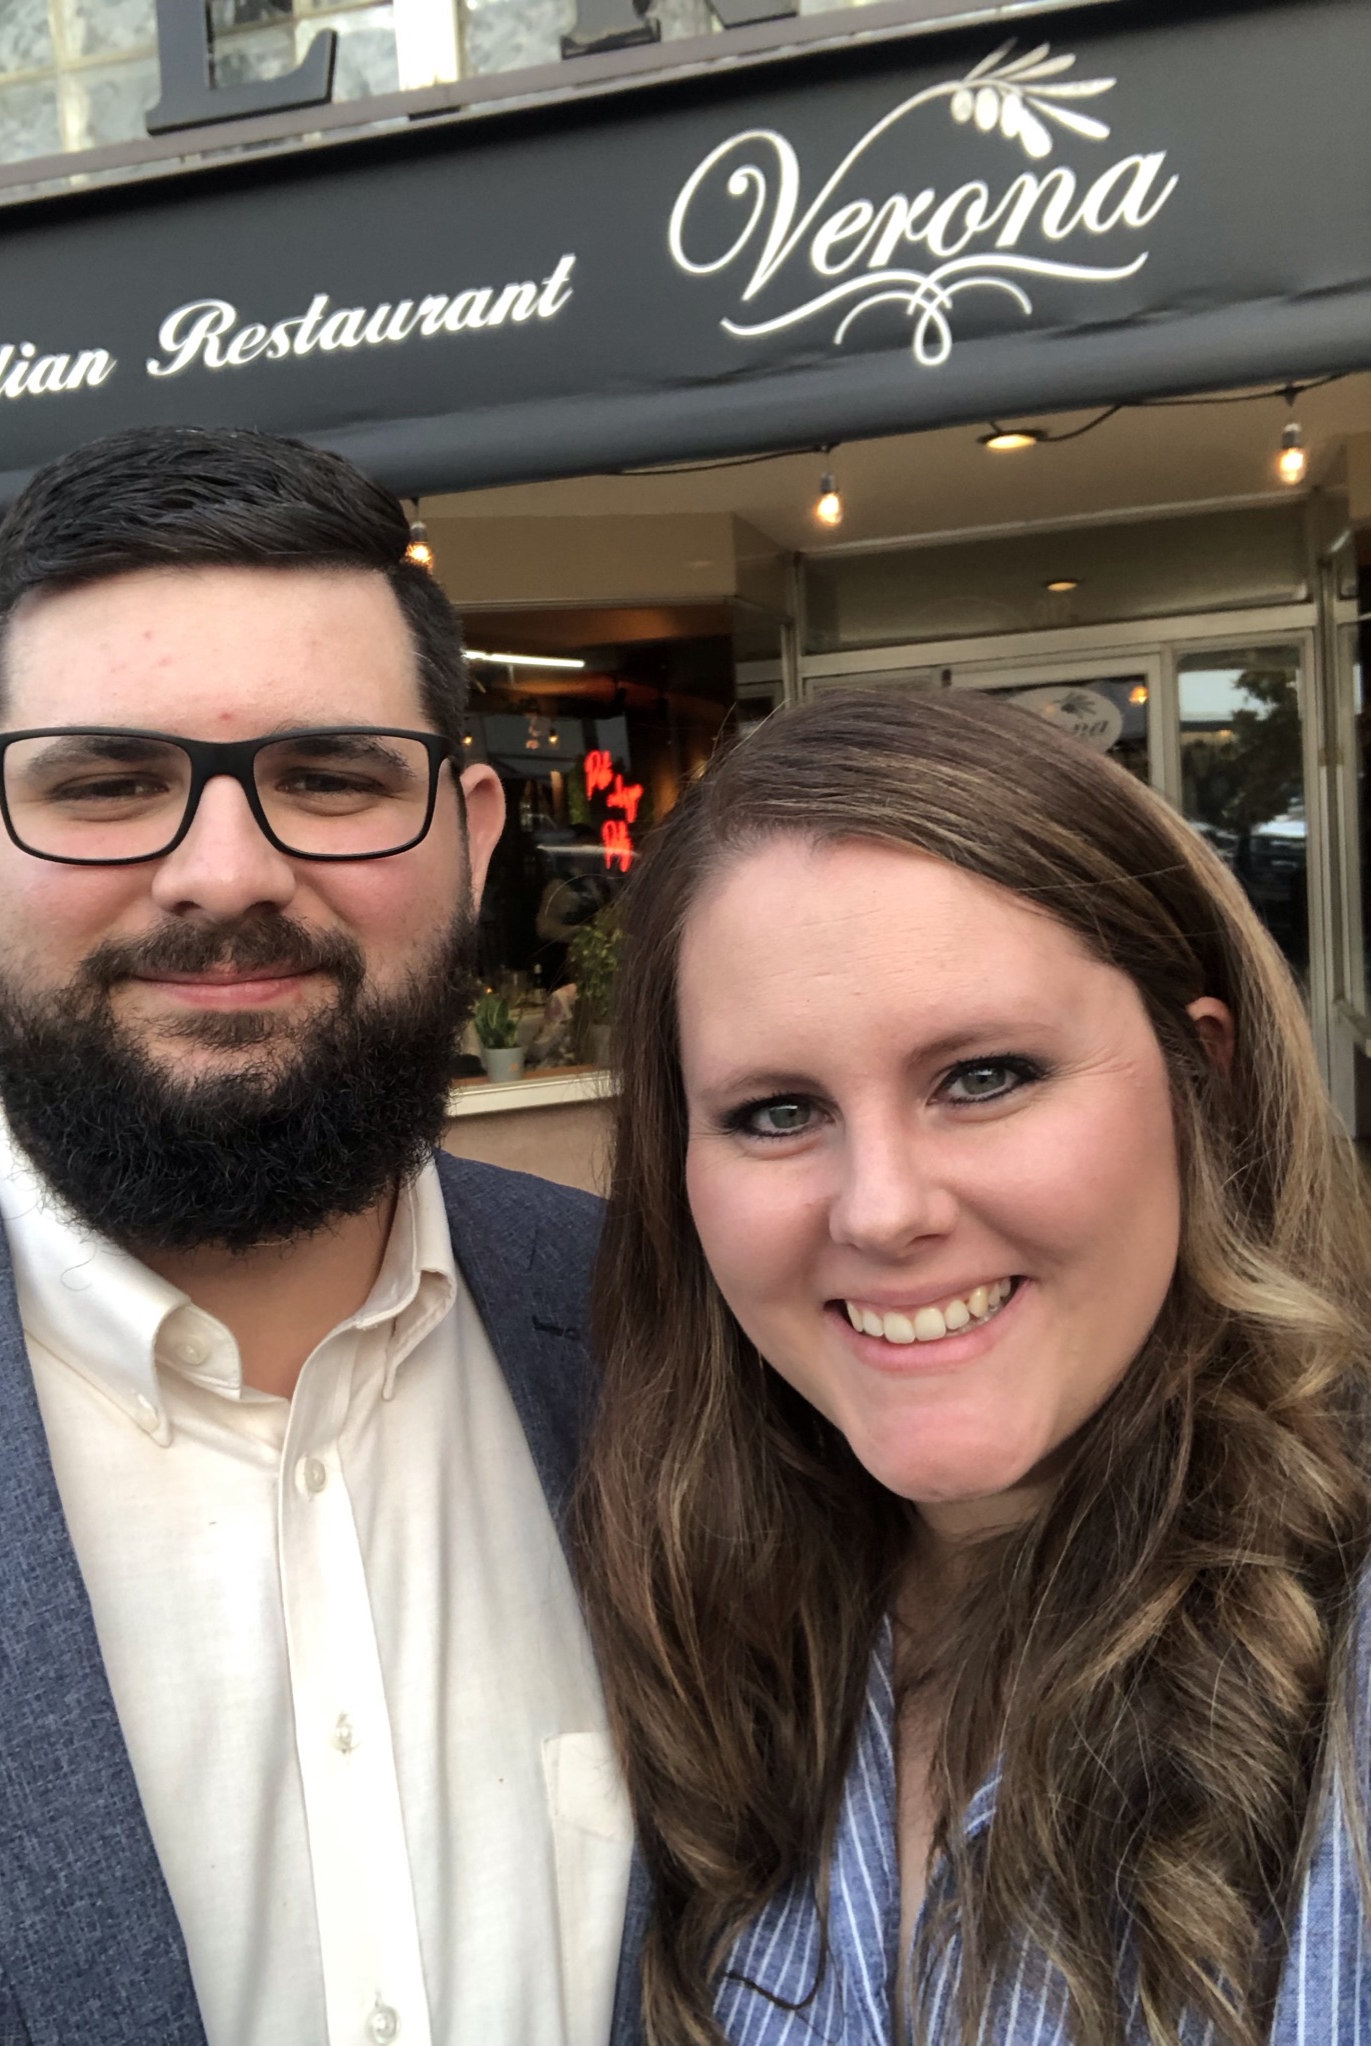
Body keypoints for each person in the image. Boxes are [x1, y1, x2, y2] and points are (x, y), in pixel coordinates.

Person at [0, 426, 639, 2046]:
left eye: (331, 777)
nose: (224, 873)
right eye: (105, 784)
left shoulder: (667, 1331)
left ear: (473, 830)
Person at [572, 688, 1371, 2046]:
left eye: (985, 1076)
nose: (881, 1210)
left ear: (1206, 1080)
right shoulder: (693, 1631)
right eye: (775, 1110)